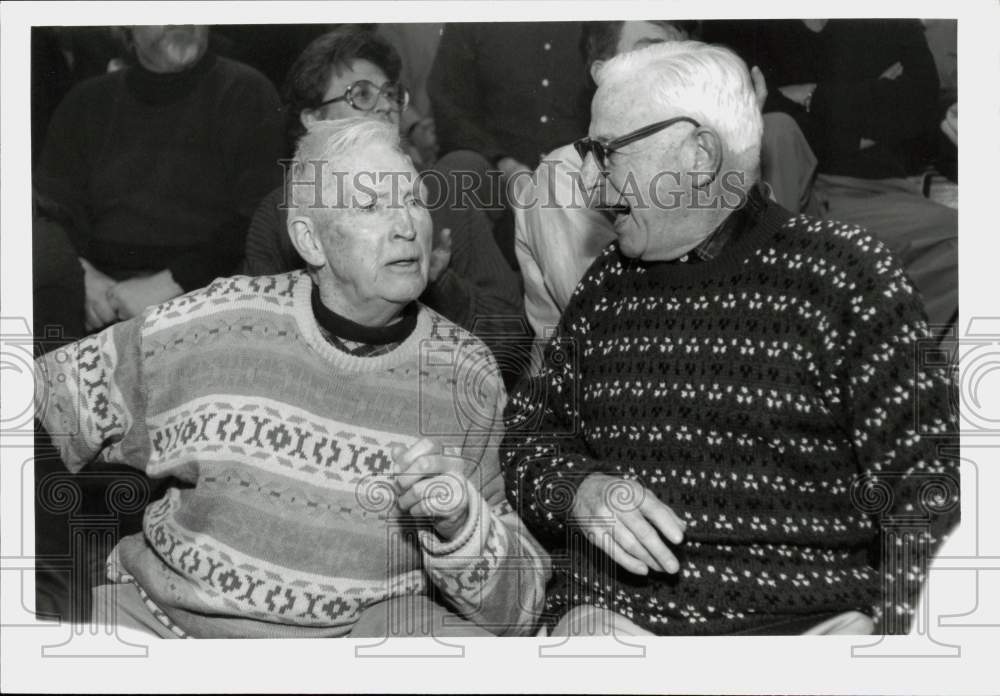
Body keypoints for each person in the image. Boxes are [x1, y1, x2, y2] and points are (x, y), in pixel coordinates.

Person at [501, 41, 959, 636]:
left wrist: (902, 654)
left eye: (603, 153)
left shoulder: (846, 280)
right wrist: (578, 489)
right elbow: (528, 437)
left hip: (806, 634)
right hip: (617, 631)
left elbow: (926, 501)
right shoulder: (605, 288)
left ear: (699, 154)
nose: (588, 182)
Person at [35, 118, 550, 638]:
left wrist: (462, 526)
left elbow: (522, 608)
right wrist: (46, 588)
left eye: (414, 199)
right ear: (311, 240)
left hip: (355, 645)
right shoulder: (213, 324)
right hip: (169, 625)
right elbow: (36, 400)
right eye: (370, 206)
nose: (406, 225)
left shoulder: (465, 371)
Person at [514, 21, 818, 367]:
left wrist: (739, 145)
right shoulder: (566, 175)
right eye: (651, 49)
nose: (671, 66)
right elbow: (613, 329)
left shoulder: (699, 162)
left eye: (682, 52)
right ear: (602, 74)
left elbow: (774, 290)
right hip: (595, 389)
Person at [240, 28, 525, 386]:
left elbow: (512, 343)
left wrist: (441, 286)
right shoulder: (282, 213)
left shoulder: (444, 199)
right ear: (312, 119)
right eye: (361, 94)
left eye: (391, 93)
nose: (386, 105)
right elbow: (257, 345)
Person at [703, 19, 958, 341]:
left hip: (873, 189)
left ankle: (856, 354)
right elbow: (743, 113)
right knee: (778, 129)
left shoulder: (890, 19)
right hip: (778, 175)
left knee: (966, 246)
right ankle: (767, 333)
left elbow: (915, 113)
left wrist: (813, 96)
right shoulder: (735, 23)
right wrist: (864, 107)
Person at [34, 25, 284, 333]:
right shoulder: (86, 102)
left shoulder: (247, 91)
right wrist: (82, 276)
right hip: (97, 298)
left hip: (211, 295)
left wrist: (172, 283)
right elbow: (48, 210)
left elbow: (262, 215)